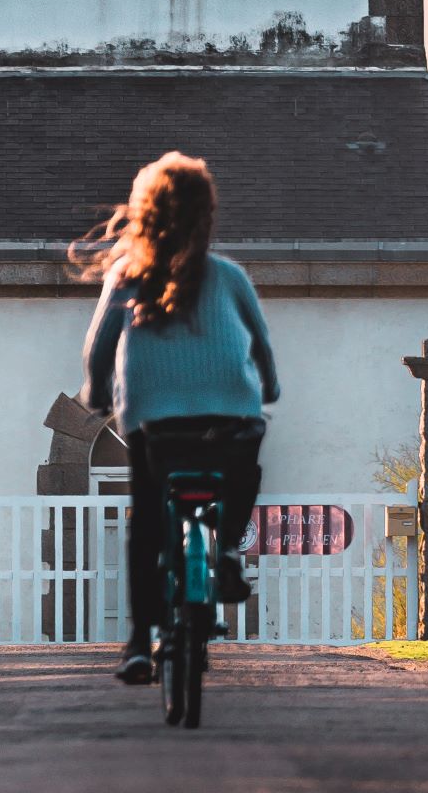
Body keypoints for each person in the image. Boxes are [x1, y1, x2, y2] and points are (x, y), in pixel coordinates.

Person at [76, 150, 279, 685]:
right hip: (229, 417)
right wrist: (269, 391)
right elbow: (261, 346)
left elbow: (99, 349)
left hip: (154, 423)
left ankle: (141, 644)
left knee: (147, 524)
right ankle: (229, 549)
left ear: (145, 215)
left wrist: (97, 395)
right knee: (245, 468)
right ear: (207, 216)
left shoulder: (126, 276)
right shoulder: (230, 275)